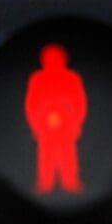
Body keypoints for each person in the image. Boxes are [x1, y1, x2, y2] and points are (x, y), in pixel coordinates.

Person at [24, 43, 88, 194]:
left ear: (63, 60)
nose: (53, 62)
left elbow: (80, 103)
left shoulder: (72, 78)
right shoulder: (37, 79)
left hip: (67, 123)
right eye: (49, 59)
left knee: (68, 156)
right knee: (46, 156)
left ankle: (71, 183)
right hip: (44, 124)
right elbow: (31, 105)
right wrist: (36, 126)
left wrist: (77, 124)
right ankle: (45, 184)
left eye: (56, 59)